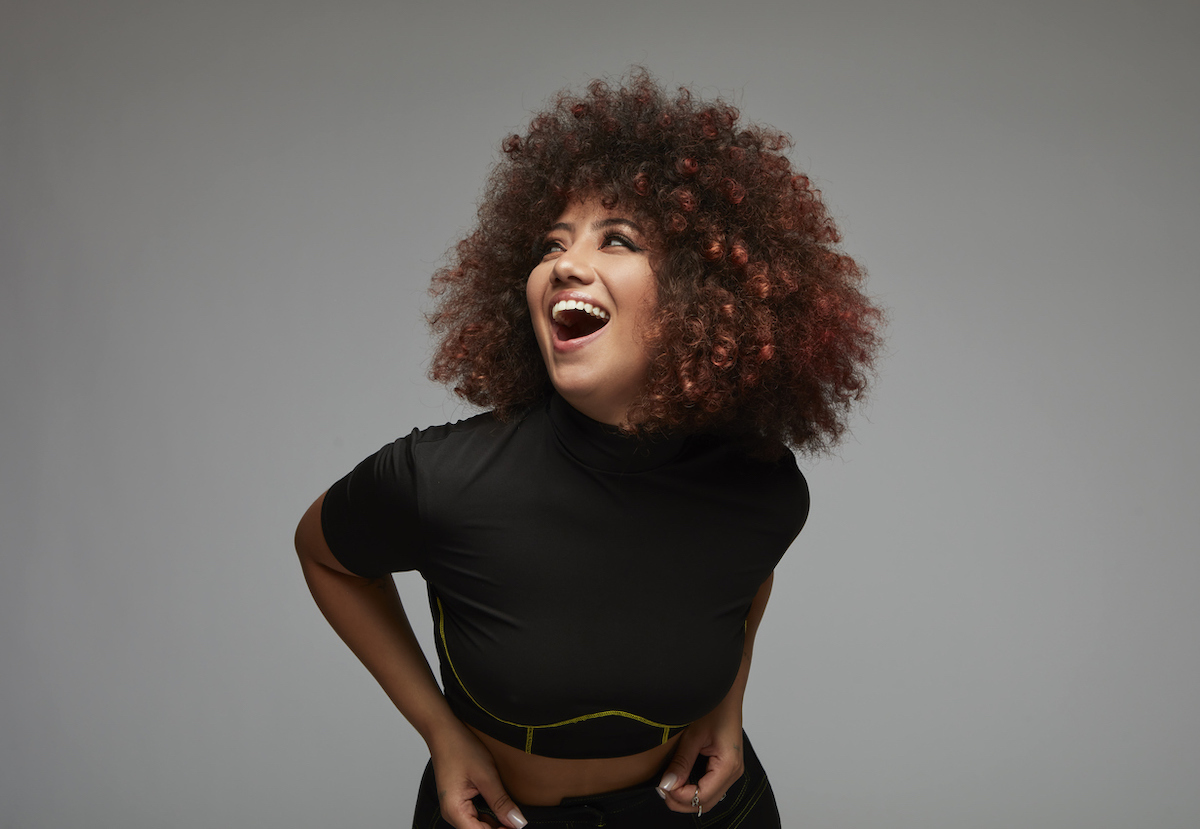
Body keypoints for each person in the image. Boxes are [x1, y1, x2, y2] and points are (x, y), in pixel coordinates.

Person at [295, 69, 881, 828]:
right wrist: (442, 732)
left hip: (704, 811)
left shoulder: (760, 486)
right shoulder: (441, 478)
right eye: (551, 244)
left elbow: (744, 575)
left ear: (703, 293)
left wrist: (725, 705)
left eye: (618, 240)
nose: (566, 264)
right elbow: (325, 554)